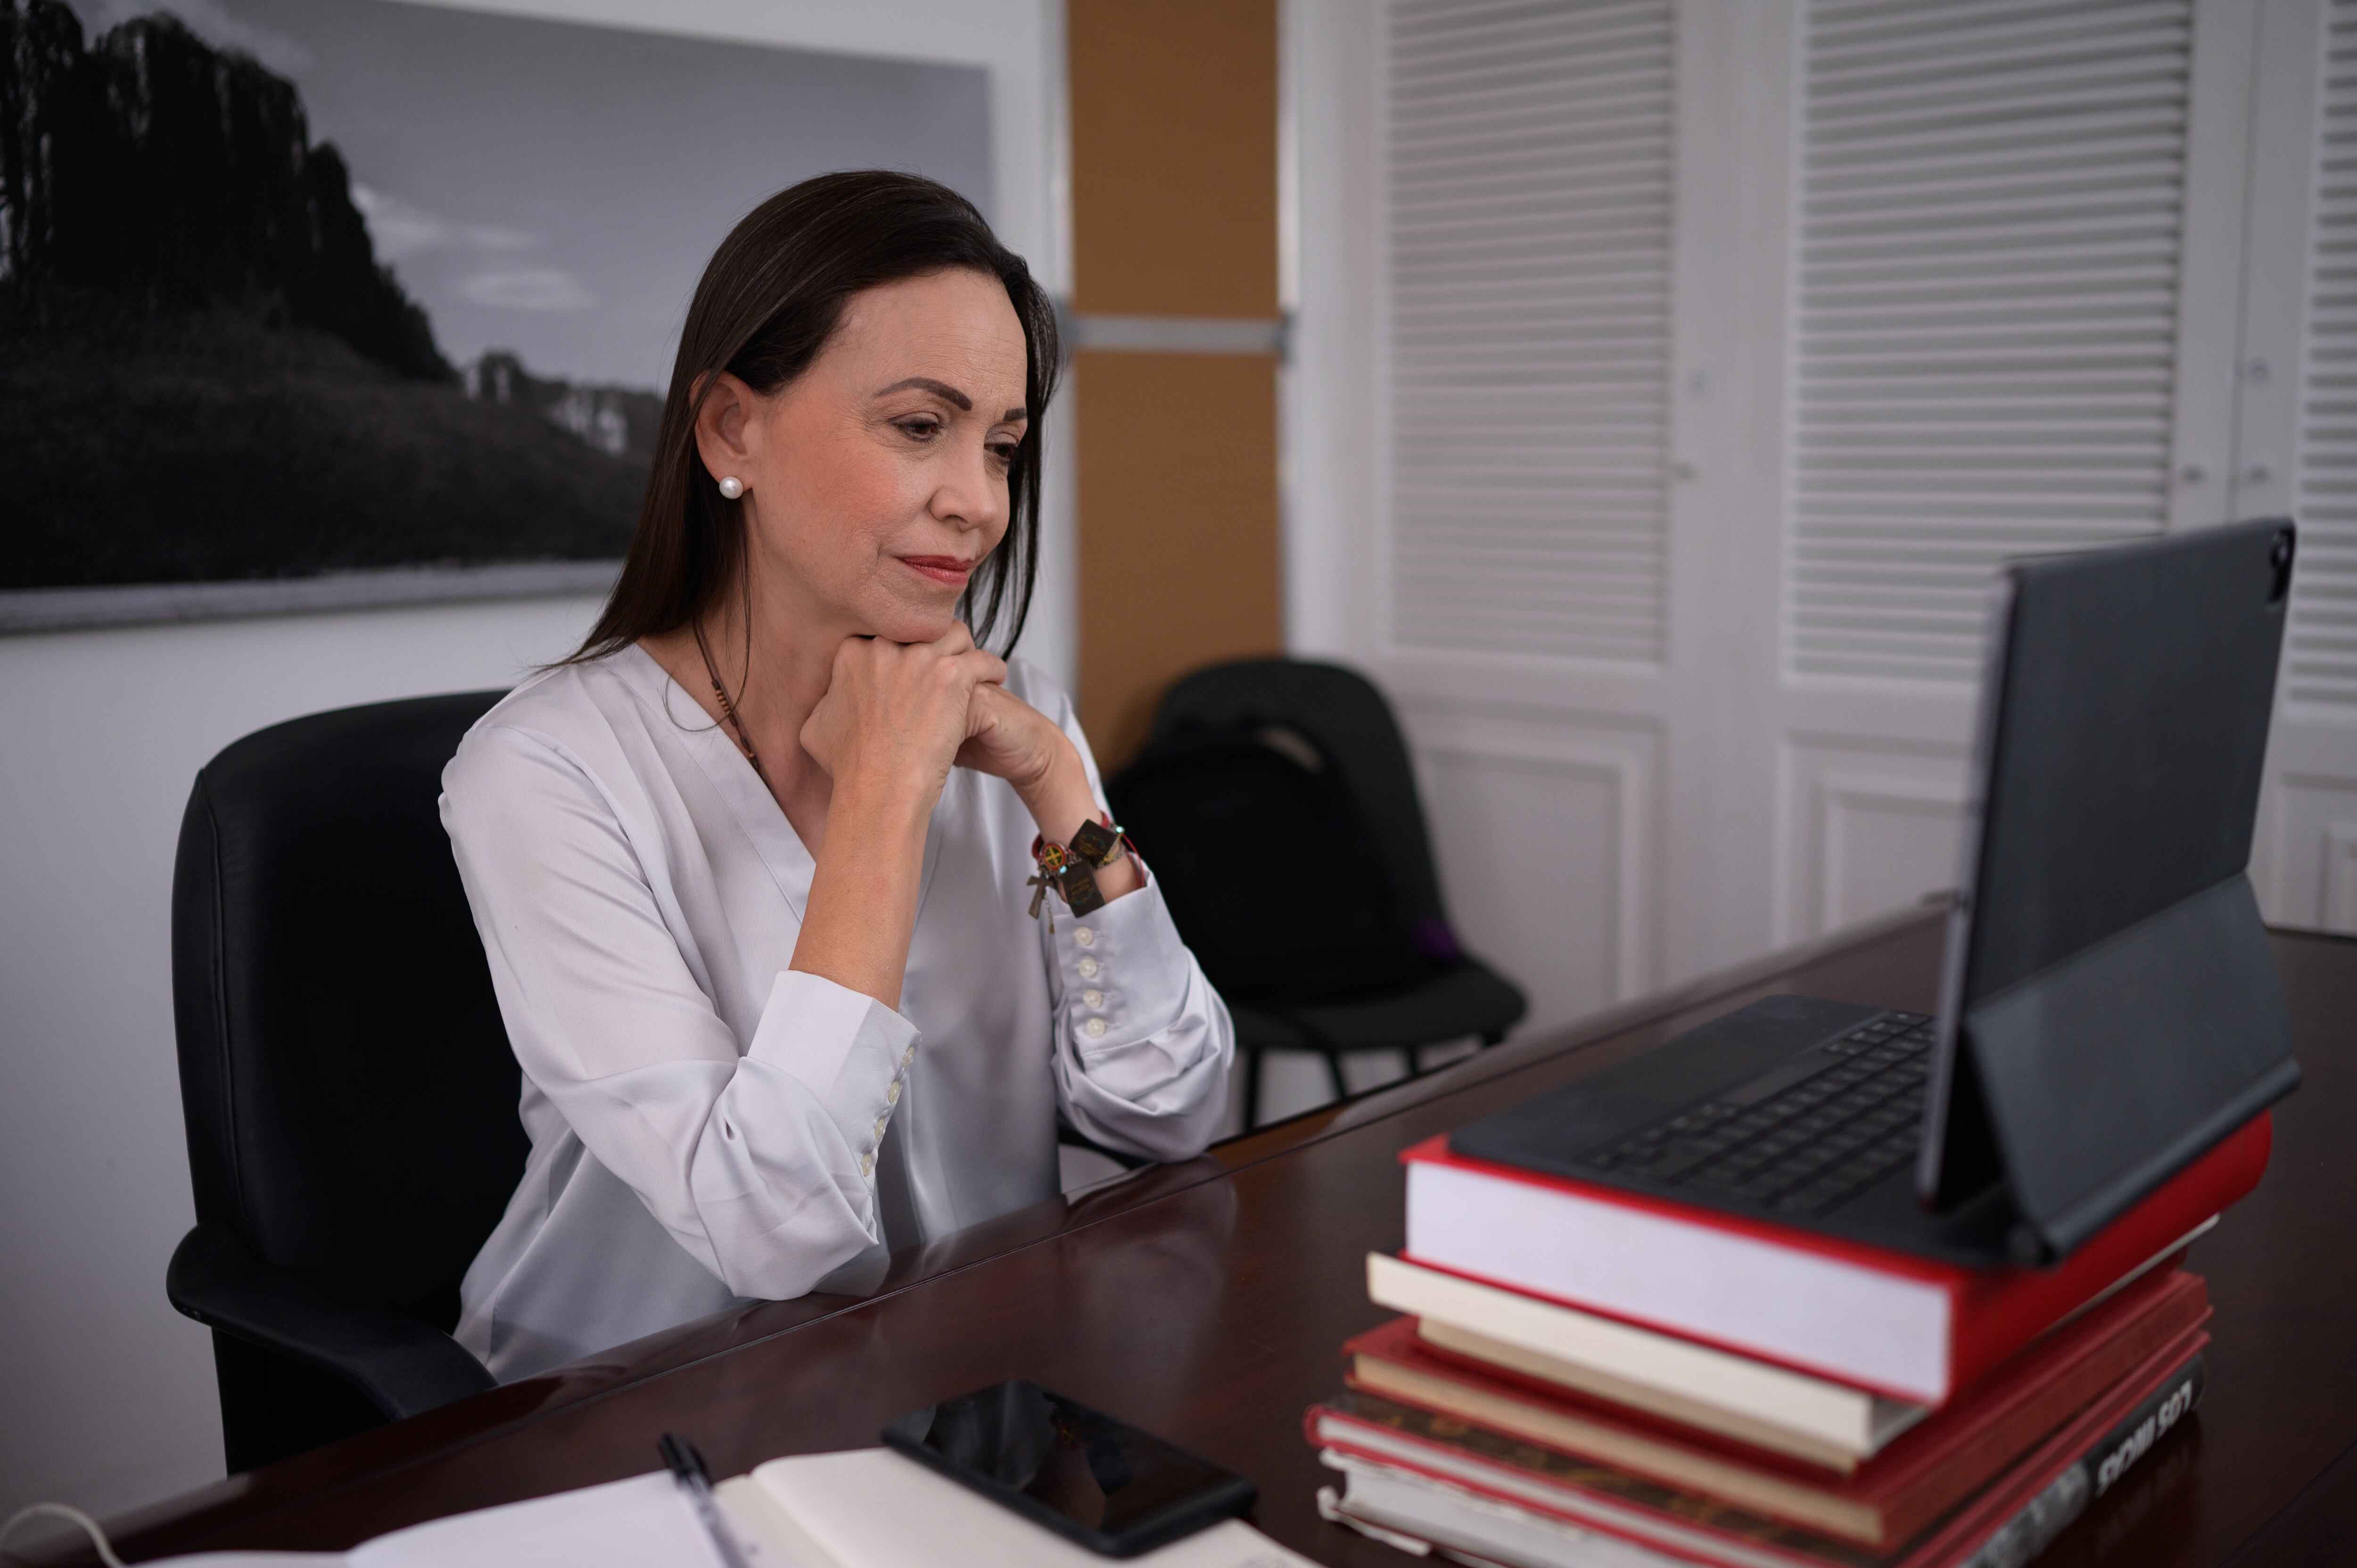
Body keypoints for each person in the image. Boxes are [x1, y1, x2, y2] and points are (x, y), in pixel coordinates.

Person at [439, 172, 1235, 1382]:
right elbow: (775, 1229)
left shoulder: (1015, 719)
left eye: (1003, 446)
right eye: (920, 427)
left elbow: (1170, 1109)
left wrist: (1062, 789)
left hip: (972, 1383)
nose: (977, 503)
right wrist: (881, 800)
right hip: (634, 1414)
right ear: (730, 430)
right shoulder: (542, 772)